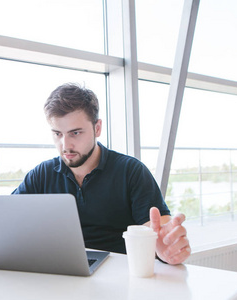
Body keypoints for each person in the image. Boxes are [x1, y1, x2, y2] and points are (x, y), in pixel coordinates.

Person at [12, 83, 191, 265]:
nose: (65, 145)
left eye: (75, 133)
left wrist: (165, 249)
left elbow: (157, 232)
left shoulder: (131, 171)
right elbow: (7, 222)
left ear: (97, 128)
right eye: (58, 134)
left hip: (119, 279)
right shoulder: (41, 174)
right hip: (59, 275)